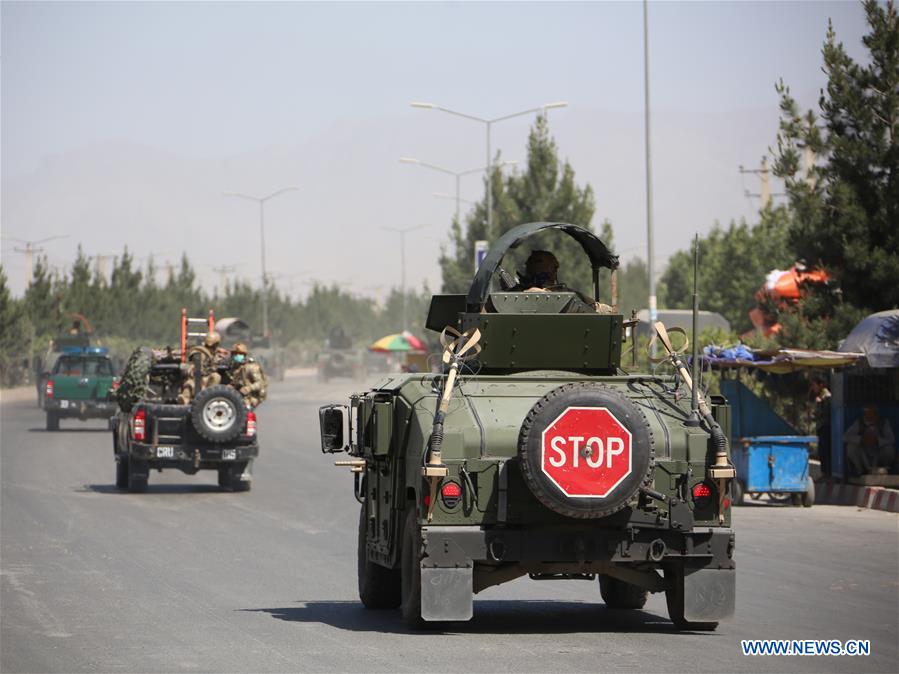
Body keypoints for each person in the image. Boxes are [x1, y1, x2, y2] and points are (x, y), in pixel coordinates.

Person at [513, 250, 614, 314]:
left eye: (552, 268)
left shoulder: (563, 292)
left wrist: (610, 311)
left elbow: (595, 307)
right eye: (537, 263)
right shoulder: (517, 293)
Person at [844, 406, 896, 476]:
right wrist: (861, 439)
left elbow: (891, 439)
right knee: (851, 447)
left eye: (872, 412)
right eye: (868, 412)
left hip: (878, 453)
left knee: (889, 449)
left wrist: (878, 440)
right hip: (863, 453)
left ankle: (884, 470)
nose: (870, 414)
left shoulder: (883, 422)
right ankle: (860, 470)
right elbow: (845, 437)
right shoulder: (859, 423)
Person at [178, 332, 226, 404]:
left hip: (202, 379)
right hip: (197, 378)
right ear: (215, 344)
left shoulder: (211, 353)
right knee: (215, 377)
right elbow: (198, 369)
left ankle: (208, 398)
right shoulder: (200, 354)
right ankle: (187, 399)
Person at [228, 342, 268, 409]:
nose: (237, 356)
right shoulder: (232, 368)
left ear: (244, 355)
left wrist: (249, 388)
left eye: (240, 354)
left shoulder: (251, 367)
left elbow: (260, 383)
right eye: (235, 354)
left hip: (250, 397)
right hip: (236, 396)